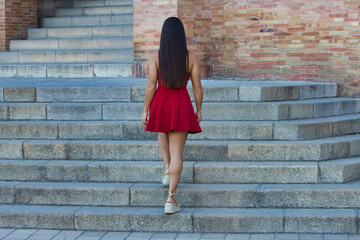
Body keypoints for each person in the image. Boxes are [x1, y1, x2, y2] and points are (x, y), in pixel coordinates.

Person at [141, 17, 203, 214]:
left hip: (161, 101)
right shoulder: (191, 59)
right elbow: (198, 88)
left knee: (162, 132)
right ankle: (171, 198)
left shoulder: (156, 58)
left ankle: (167, 167)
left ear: (164, 36)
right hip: (181, 103)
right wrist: (199, 109)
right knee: (178, 152)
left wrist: (145, 109)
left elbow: (151, 85)